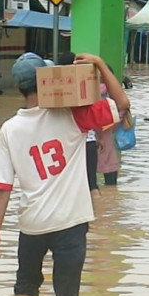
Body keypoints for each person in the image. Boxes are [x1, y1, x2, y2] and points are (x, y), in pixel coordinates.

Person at [0, 51, 130, 296]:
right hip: (70, 221)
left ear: (17, 87)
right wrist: (99, 64)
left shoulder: (9, 129)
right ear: (47, 80)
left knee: (26, 286)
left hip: (32, 224)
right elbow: (122, 103)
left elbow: (2, 185)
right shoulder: (73, 115)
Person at [56, 52, 101, 198]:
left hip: (67, 144)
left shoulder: (56, 90)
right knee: (92, 185)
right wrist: (99, 137)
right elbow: (95, 113)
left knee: (68, 187)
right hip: (88, 141)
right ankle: (101, 210)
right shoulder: (86, 85)